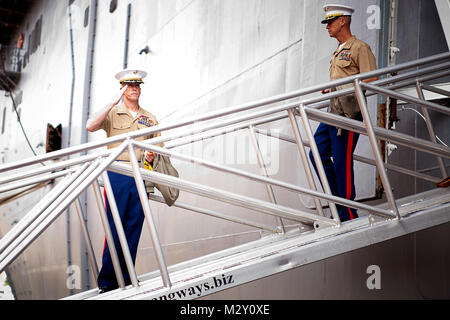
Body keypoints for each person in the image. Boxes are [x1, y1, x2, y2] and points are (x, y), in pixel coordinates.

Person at [86, 69, 160, 292]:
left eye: (138, 85)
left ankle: (126, 276)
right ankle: (109, 280)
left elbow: (160, 147)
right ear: (122, 89)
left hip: (141, 174)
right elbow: (91, 125)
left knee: (133, 227)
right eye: (129, 85)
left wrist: (152, 155)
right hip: (118, 174)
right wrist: (112, 102)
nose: (135, 88)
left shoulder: (150, 118)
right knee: (115, 225)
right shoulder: (112, 114)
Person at [309, 4, 377, 222]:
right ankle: (338, 204)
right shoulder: (338, 50)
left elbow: (371, 80)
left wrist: (338, 87)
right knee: (316, 154)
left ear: (343, 21)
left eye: (330, 22)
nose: (327, 26)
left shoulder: (359, 48)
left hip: (348, 116)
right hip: (332, 112)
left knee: (341, 162)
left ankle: (347, 212)